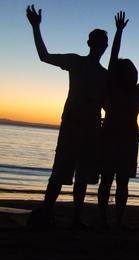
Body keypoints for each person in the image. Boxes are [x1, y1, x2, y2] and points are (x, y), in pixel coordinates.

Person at [26, 5, 108, 228]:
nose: (101, 46)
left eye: (104, 43)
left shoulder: (104, 75)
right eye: (97, 41)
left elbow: (107, 105)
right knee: (60, 172)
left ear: (105, 46)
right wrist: (36, 27)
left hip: (91, 129)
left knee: (81, 176)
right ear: (90, 43)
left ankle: (77, 218)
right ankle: (47, 212)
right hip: (72, 126)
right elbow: (44, 56)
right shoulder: (76, 62)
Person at [97, 12, 139, 228]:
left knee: (120, 183)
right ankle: (106, 219)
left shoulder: (136, 91)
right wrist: (119, 32)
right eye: (130, 72)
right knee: (108, 181)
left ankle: (117, 220)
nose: (133, 74)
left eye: (133, 72)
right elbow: (113, 58)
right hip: (112, 139)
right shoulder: (114, 87)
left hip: (124, 141)